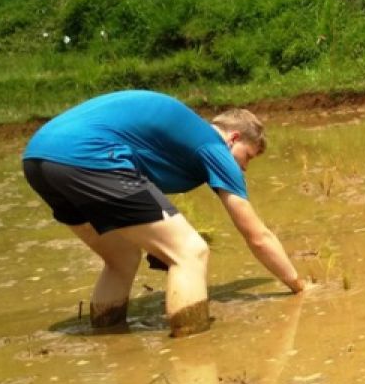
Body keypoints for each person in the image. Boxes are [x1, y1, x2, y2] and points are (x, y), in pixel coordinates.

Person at [22, 90, 306, 337]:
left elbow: (144, 198)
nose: (243, 168)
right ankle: (192, 353)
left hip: (39, 158)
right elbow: (256, 235)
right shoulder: (213, 144)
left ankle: (109, 337)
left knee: (122, 257)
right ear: (233, 138)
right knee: (190, 252)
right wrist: (299, 286)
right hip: (89, 155)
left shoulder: (179, 137)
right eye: (248, 157)